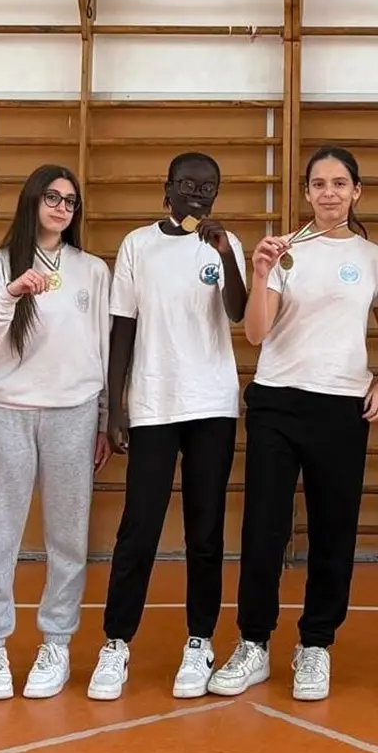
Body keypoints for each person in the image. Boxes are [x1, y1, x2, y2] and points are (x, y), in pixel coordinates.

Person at [207, 146, 378, 702]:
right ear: (306, 192)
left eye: (340, 183)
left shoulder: (373, 258)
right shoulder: (283, 249)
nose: (329, 192)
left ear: (356, 191)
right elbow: (256, 334)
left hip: (341, 407)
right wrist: (261, 270)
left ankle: (316, 644)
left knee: (334, 530)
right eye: (319, 184)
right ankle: (254, 642)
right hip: (277, 403)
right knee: (264, 527)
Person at [87, 151, 247, 702]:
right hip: (153, 403)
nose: (197, 194)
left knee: (206, 533)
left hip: (212, 405)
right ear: (167, 188)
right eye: (187, 184)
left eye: (209, 185)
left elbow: (239, 311)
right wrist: (117, 406)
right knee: (139, 528)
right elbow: (122, 330)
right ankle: (116, 642)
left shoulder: (226, 245)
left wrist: (225, 256)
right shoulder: (137, 245)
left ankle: (199, 640)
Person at [0, 164, 111, 701]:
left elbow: (103, 348)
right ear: (32, 201)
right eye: (51, 196)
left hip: (72, 412)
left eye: (70, 201)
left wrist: (101, 418)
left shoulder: (92, 270)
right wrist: (11, 292)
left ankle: (57, 641)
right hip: (7, 409)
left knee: (68, 539)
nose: (61, 207)